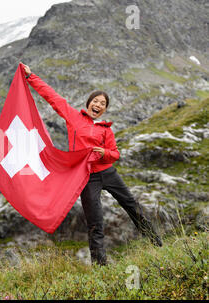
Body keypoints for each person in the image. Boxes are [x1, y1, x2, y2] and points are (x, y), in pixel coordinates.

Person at [21, 63, 162, 266]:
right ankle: (100, 267)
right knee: (95, 223)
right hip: (86, 177)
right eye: (95, 101)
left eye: (103, 103)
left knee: (133, 207)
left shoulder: (106, 130)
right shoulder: (73, 117)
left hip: (108, 173)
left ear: (104, 110)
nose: (98, 105)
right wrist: (30, 76)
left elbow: (115, 154)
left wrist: (104, 152)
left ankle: (156, 244)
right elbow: (52, 96)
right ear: (89, 103)